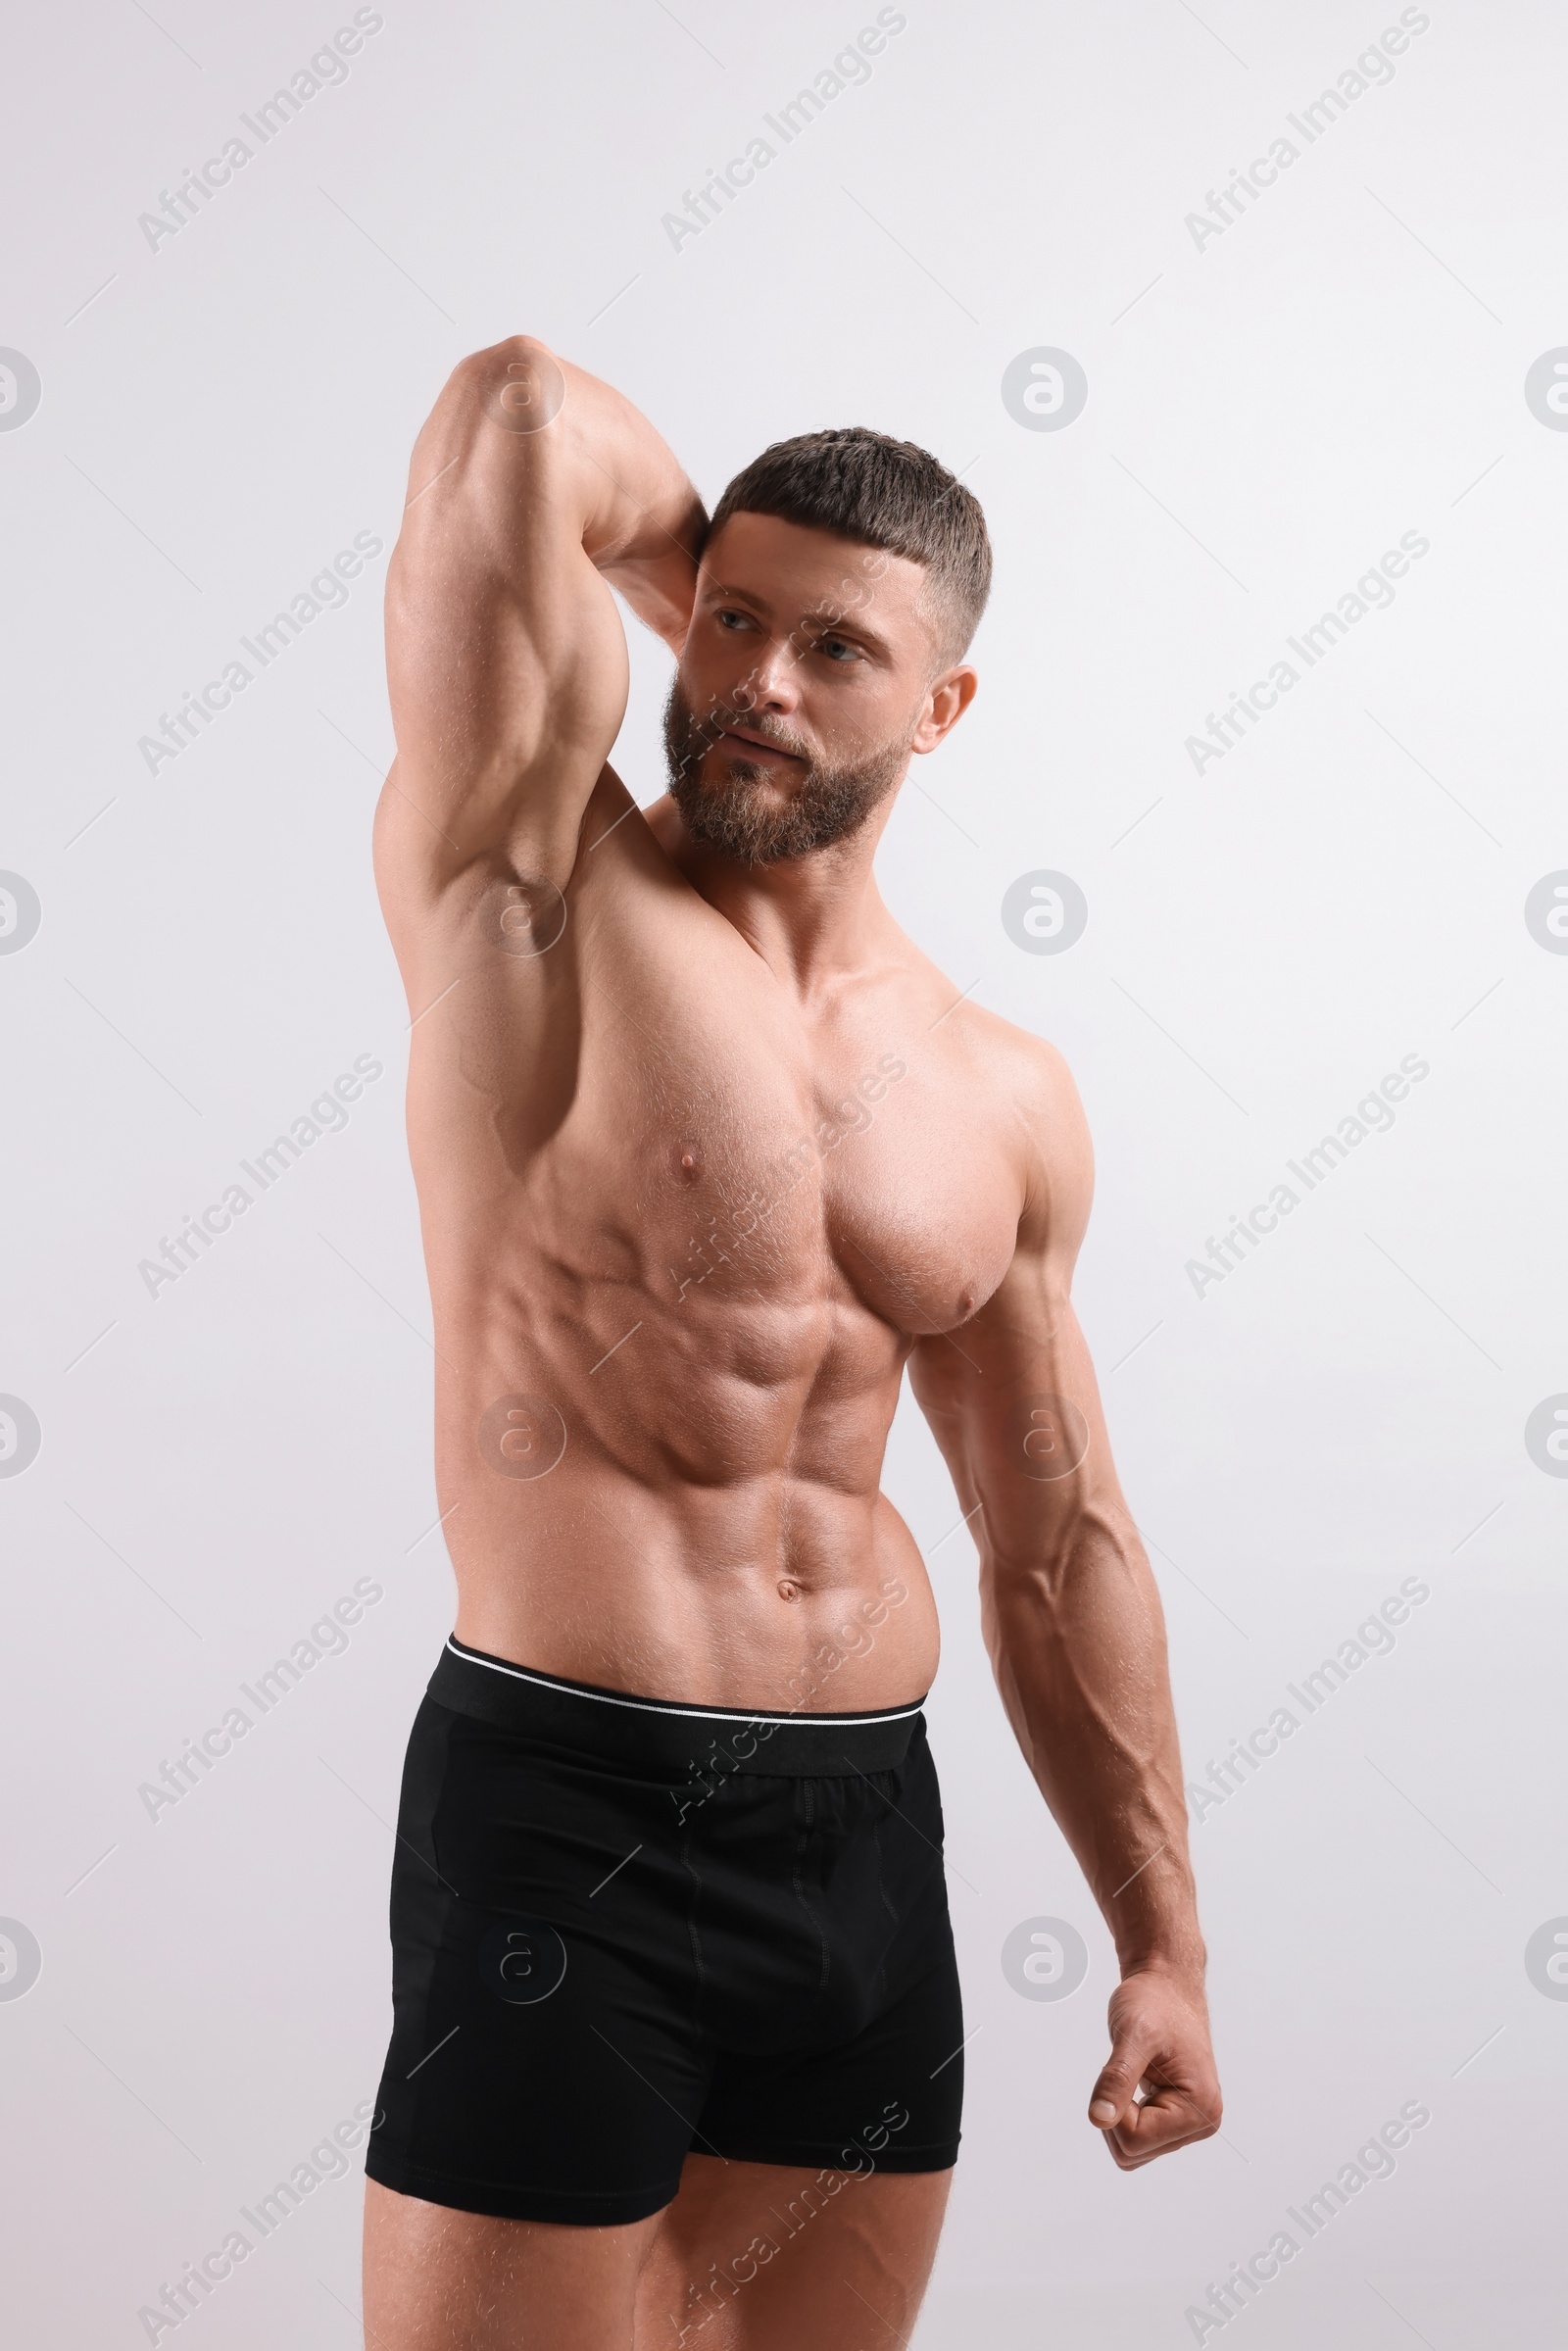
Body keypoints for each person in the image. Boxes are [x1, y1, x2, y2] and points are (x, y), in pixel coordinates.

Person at [361, 336, 1220, 2350]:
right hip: (569, 1812)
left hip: (857, 1846)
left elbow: (1055, 1541)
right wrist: (739, 617)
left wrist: (1159, 1943)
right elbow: (513, 412)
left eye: (838, 651)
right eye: (729, 622)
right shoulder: (530, 887)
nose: (758, 678)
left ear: (944, 709)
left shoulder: (998, 1092)